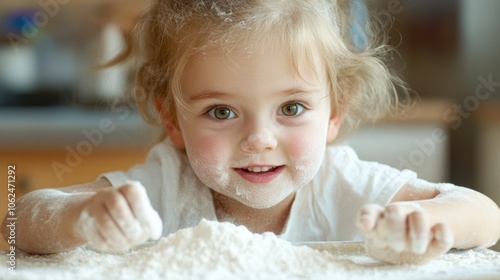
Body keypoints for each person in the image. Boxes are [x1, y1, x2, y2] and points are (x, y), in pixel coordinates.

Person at [2, 0, 500, 265]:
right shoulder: (164, 187)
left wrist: (425, 223)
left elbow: (485, 214)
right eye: (221, 112)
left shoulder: (345, 185)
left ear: (334, 114)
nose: (259, 139)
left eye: (292, 107)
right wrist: (83, 217)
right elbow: (19, 220)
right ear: (171, 119)